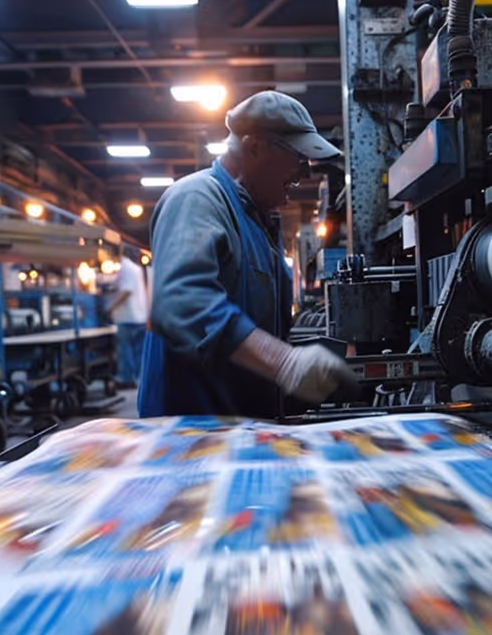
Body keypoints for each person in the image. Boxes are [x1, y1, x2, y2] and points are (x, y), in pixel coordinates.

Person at [138, 91, 356, 419]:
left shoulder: (257, 222)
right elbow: (180, 302)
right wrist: (282, 361)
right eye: (299, 158)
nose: (305, 174)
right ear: (255, 147)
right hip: (191, 433)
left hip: (240, 427)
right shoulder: (197, 198)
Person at [106, 259, 150, 389]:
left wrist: (111, 307)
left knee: (125, 348)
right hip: (140, 315)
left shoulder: (126, 268)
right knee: (137, 350)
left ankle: (127, 377)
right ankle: (138, 378)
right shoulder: (136, 267)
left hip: (128, 317)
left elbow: (126, 290)